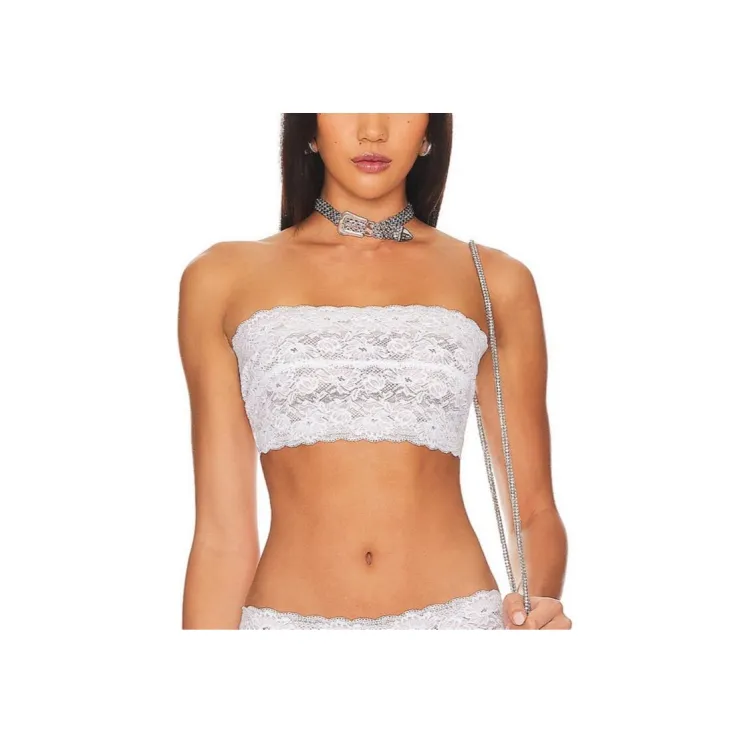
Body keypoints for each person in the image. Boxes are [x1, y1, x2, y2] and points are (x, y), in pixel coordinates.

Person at [178, 113, 571, 630]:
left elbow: (533, 510)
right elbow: (221, 537)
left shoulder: (495, 280)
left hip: (459, 623)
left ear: (429, 129)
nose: (373, 129)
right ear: (309, 127)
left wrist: (535, 610)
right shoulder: (222, 279)